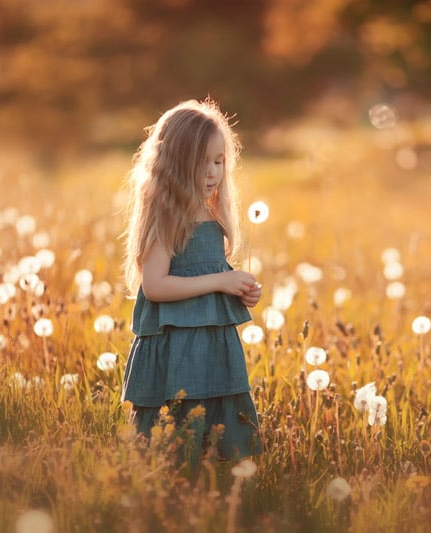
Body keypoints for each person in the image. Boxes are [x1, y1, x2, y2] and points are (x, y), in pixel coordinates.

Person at [121, 98, 263, 464]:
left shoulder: (213, 214)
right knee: (176, 443)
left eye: (218, 161)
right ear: (175, 164)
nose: (212, 172)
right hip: (178, 351)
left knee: (220, 447)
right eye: (201, 163)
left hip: (214, 348)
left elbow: (208, 273)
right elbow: (155, 286)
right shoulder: (167, 214)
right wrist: (220, 282)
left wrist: (240, 289)